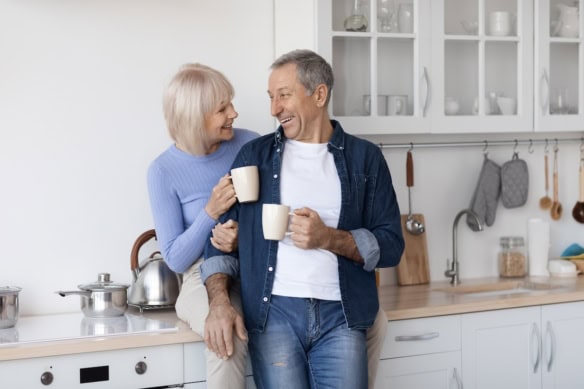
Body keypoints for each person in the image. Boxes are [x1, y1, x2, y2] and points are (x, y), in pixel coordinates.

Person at [201, 49, 404, 388]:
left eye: (284, 96)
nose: (274, 108)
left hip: (343, 316)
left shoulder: (365, 159)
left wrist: (329, 238)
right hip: (273, 315)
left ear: (319, 94)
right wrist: (219, 302)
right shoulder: (255, 156)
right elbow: (220, 242)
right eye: (271, 97)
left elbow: (393, 245)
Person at [147, 63, 259, 389]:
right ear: (195, 117)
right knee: (228, 336)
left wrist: (243, 237)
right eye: (222, 108)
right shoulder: (162, 171)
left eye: (231, 103)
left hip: (254, 264)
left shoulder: (249, 145)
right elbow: (175, 259)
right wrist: (210, 212)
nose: (234, 113)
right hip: (199, 276)